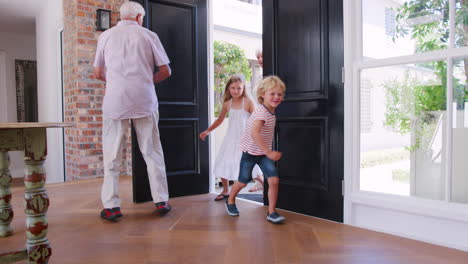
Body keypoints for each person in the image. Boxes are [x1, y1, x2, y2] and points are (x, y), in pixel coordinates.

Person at [93, 2, 172, 221]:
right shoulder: (148, 35)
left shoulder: (106, 36)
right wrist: (147, 80)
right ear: (139, 17)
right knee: (152, 150)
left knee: (112, 153)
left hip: (115, 100)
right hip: (144, 98)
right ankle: (161, 200)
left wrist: (119, 82)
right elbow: (166, 70)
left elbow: (98, 72)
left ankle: (111, 206)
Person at [226, 75, 286, 224]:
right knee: (243, 181)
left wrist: (266, 152)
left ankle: (271, 212)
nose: (276, 97)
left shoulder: (270, 111)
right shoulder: (261, 112)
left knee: (273, 180)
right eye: (272, 94)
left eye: (279, 94)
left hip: (262, 153)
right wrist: (269, 152)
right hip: (250, 153)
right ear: (262, 95)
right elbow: (255, 133)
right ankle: (231, 200)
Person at [199, 74, 259, 201]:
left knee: (251, 164)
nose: (236, 91)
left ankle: (267, 188)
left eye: (239, 88)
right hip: (230, 139)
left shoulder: (248, 102)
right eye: (233, 88)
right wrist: (207, 131)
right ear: (228, 89)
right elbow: (220, 120)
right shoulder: (227, 103)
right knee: (223, 162)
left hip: (246, 139)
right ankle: (226, 190)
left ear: (244, 89)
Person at [248, 48, 265, 192]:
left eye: (262, 56)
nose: (259, 60)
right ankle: (261, 180)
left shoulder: (272, 76)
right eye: (257, 57)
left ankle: (264, 181)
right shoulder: (259, 77)